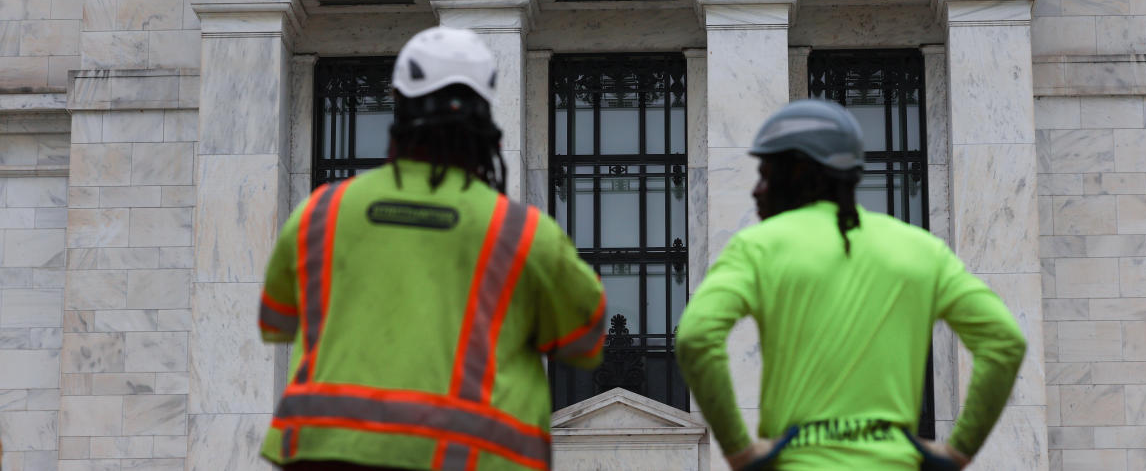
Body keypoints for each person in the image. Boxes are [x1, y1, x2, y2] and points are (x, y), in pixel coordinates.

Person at [257, 26, 606, 471]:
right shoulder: (521, 234)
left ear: (397, 109)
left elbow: (277, 320)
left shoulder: (322, 212)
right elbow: (586, 342)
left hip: (324, 455)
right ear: (487, 124)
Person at [675, 98, 1027, 470]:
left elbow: (696, 337)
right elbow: (1004, 341)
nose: (756, 190)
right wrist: (959, 450)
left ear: (798, 171)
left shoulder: (757, 246)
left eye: (766, 173)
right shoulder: (921, 249)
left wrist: (738, 451)